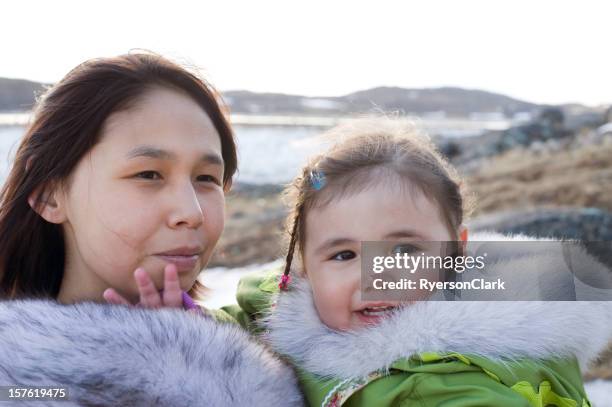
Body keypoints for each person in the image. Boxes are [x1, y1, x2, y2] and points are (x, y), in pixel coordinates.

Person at [223, 118, 611, 406]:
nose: (375, 276)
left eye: (404, 251)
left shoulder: (453, 384)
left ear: (457, 252)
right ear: (304, 270)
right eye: (343, 255)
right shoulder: (280, 312)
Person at [0, 52, 302, 406]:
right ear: (50, 194)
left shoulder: (274, 335)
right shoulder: (18, 380)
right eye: (148, 174)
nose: (192, 212)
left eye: (207, 179)